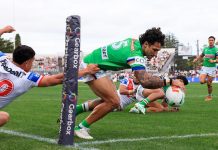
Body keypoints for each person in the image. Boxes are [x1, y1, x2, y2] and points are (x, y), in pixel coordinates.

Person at [75, 27, 185, 139]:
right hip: (92, 66)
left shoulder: (135, 42)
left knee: (108, 100)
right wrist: (170, 81)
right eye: (155, 50)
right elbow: (146, 82)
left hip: (98, 65)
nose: (156, 54)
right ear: (146, 44)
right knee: (113, 102)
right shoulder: (136, 55)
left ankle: (75, 110)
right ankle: (81, 127)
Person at [0, 26, 100, 127]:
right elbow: (58, 79)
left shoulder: (2, 59)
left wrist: (3, 30)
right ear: (27, 63)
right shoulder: (28, 78)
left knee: (3, 115)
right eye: (32, 61)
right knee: (4, 117)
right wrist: (86, 71)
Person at [193, 36, 218, 101]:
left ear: (214, 41)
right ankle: (209, 82)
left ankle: (209, 96)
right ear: (208, 41)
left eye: (212, 40)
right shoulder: (205, 49)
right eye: (209, 40)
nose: (211, 41)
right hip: (205, 67)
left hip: (212, 68)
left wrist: (214, 61)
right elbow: (201, 56)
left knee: (209, 85)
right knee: (201, 81)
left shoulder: (216, 49)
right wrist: (196, 59)